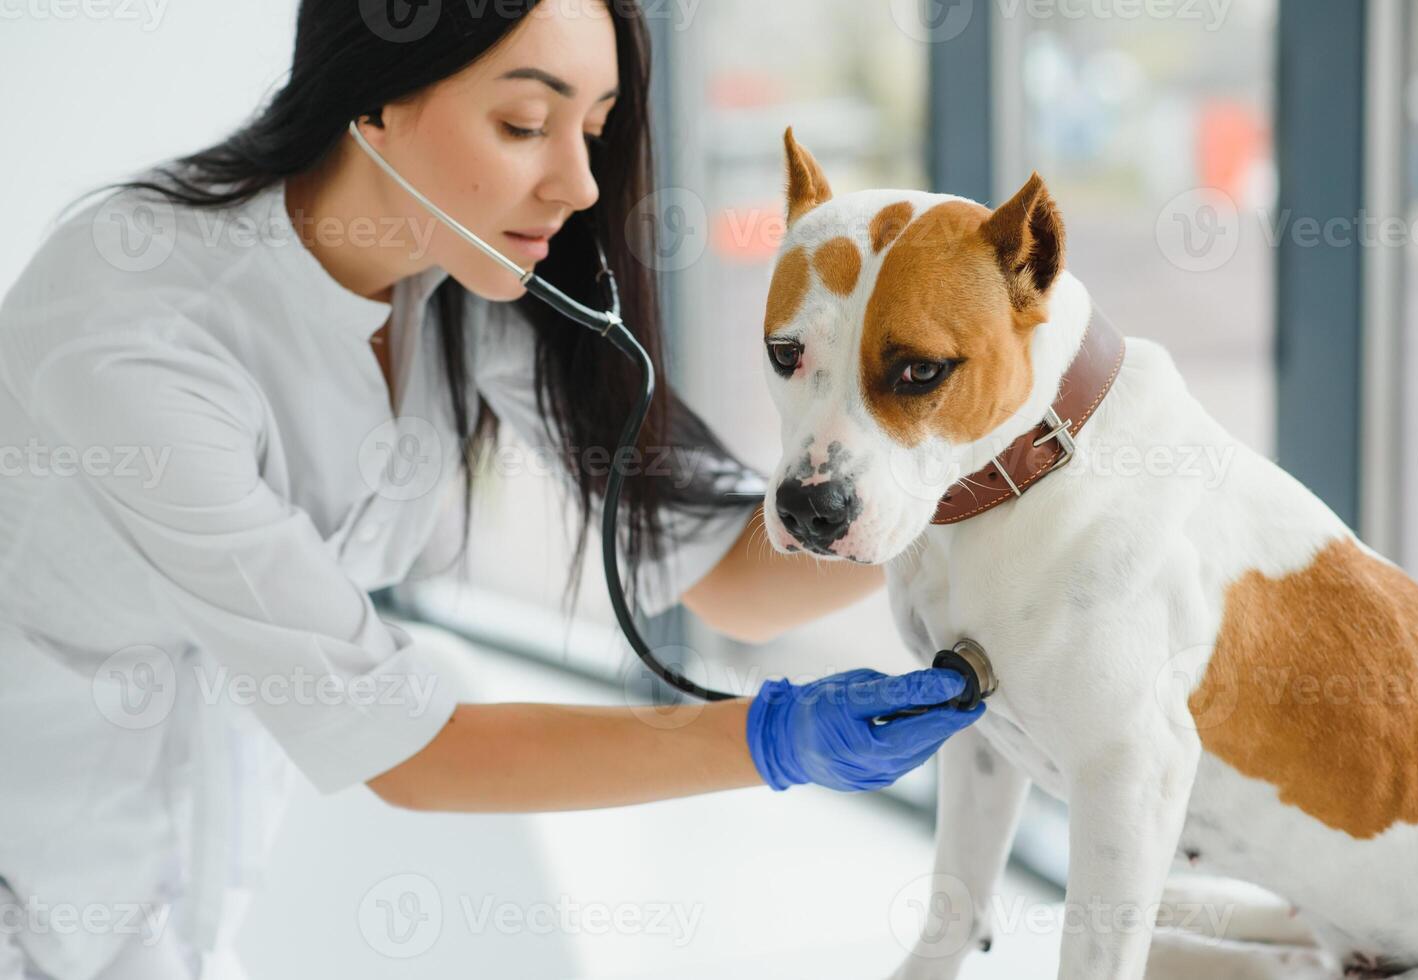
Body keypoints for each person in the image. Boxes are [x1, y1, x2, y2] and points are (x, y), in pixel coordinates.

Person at [0, 2, 986, 977]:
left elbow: (734, 576)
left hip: (169, 876)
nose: (576, 181)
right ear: (372, 94)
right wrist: (772, 737)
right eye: (523, 124)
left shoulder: (455, 261)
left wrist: (985, 464)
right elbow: (415, 752)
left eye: (594, 128)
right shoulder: (134, 335)